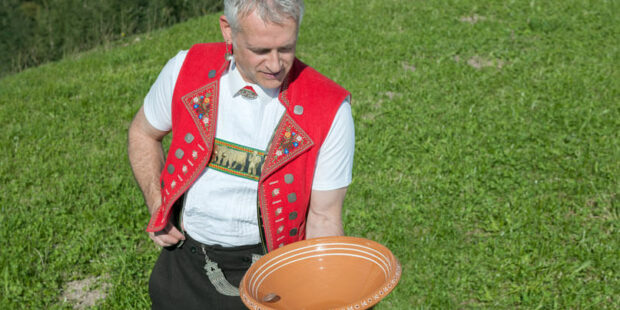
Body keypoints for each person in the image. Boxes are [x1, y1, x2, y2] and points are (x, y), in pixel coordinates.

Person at [127, 0, 354, 308]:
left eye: (286, 48)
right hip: (183, 264)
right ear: (228, 31)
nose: (275, 64)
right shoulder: (187, 68)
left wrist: (326, 295)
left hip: (274, 275)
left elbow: (324, 217)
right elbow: (143, 133)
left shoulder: (327, 107)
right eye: (260, 50)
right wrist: (157, 202)